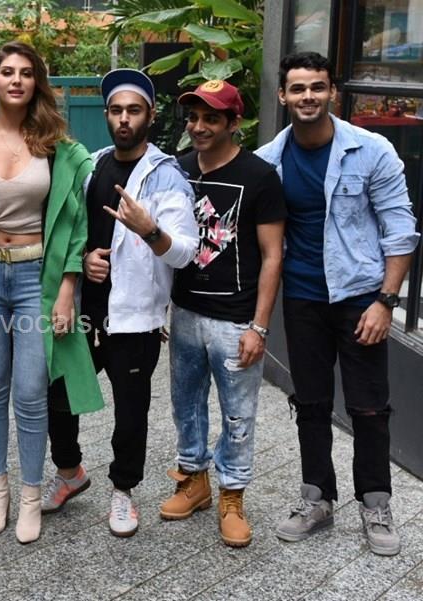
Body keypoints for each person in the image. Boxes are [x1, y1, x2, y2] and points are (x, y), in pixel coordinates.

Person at [0, 41, 103, 544]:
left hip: (36, 280)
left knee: (31, 393)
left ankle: (31, 496)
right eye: (7, 71)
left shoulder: (59, 148)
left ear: (36, 83)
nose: (16, 80)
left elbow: (75, 224)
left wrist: (67, 288)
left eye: (26, 73)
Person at [256, 52, 419, 556]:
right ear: (283, 95)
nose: (308, 96)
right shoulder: (268, 161)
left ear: (332, 93)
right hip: (302, 298)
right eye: (298, 88)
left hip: (360, 298)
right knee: (310, 403)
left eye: (317, 87)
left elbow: (400, 228)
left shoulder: (371, 150)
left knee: (369, 407)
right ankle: (317, 498)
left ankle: (375, 503)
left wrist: (385, 301)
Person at [41, 69, 197, 538]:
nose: (124, 119)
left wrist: (149, 230)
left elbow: (184, 252)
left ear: (150, 115)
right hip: (84, 312)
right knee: (58, 397)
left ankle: (123, 490)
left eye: (134, 110)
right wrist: (86, 258)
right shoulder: (91, 167)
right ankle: (70, 472)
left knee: (130, 411)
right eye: (116, 110)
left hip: (135, 319)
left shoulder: (167, 175)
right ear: (106, 115)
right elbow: (73, 232)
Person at [158, 80, 286, 547]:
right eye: (193, 117)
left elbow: (273, 255)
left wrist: (259, 326)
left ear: (235, 123)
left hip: (236, 320)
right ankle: (193, 481)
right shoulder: (177, 169)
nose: (199, 127)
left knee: (238, 414)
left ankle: (233, 494)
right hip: (185, 311)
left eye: (211, 118)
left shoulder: (260, 176)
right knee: (185, 404)